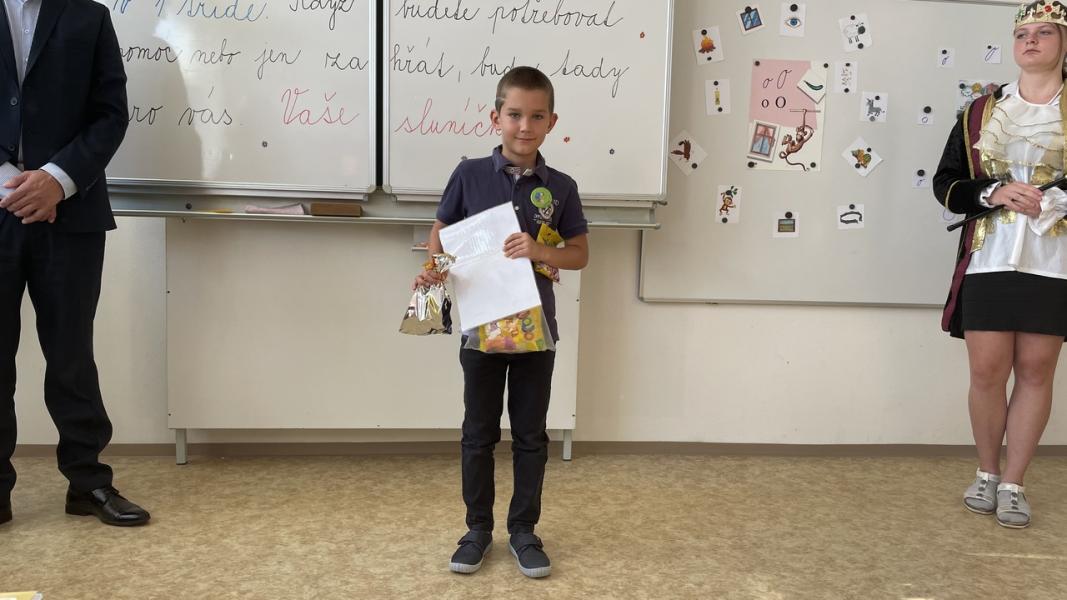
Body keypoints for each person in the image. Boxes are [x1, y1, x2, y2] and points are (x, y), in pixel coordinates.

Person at [414, 66, 588, 576]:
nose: (524, 126)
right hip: (481, 330)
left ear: (552, 122)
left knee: (531, 436)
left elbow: (579, 253)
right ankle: (477, 530)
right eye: (514, 115)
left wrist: (539, 249)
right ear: (496, 118)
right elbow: (441, 233)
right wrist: (434, 271)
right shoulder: (468, 174)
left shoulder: (562, 187)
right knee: (478, 433)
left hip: (536, 333)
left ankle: (524, 531)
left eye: (536, 116)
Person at [0, 0, 149, 526]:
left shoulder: (89, 16)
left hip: (72, 213)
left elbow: (111, 114)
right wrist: (13, 184)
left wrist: (57, 180)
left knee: (71, 356)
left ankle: (88, 483)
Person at [933, 0, 1067, 529]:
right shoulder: (979, 112)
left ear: (1064, 42)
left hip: (1053, 262)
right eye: (1022, 33)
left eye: (1044, 32)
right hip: (988, 258)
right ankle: (987, 472)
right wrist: (993, 192)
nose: (1030, 41)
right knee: (987, 372)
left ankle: (1014, 483)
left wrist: (1052, 200)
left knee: (1035, 371)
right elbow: (946, 183)